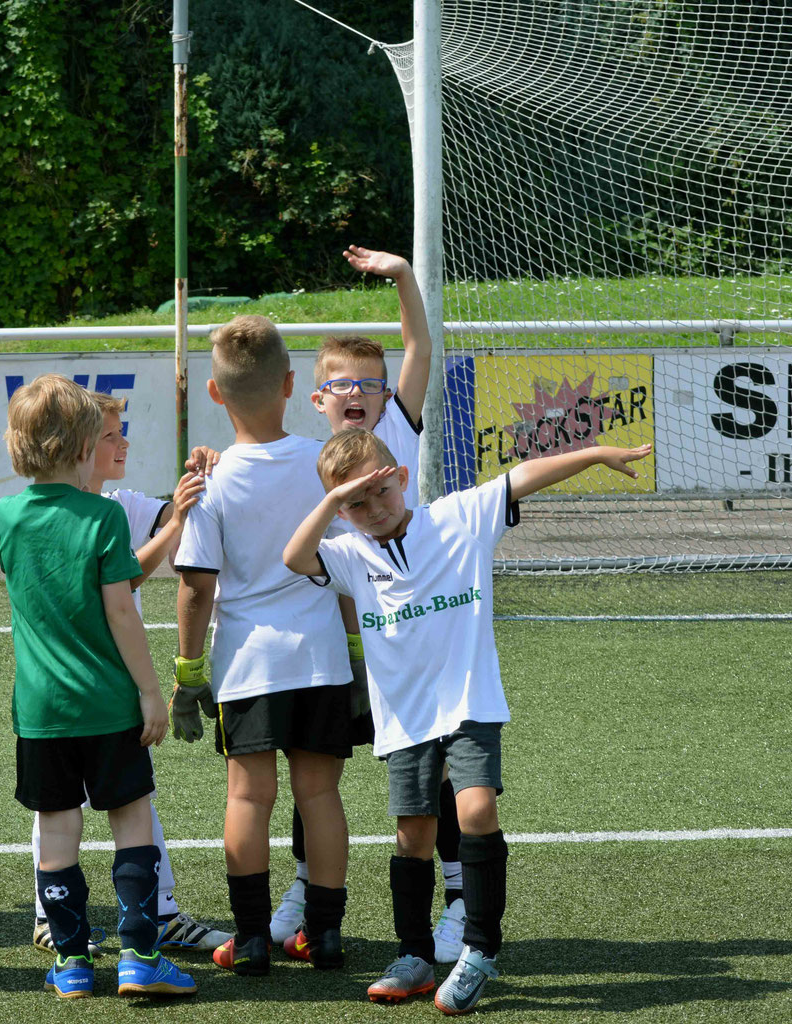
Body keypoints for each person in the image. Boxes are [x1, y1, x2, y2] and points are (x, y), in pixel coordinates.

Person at [284, 428, 650, 1011]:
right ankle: (414, 955)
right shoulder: (349, 554)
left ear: (402, 477)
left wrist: (596, 455)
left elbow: (524, 476)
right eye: (355, 503)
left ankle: (480, 950)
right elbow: (294, 556)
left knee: (475, 809)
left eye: (379, 491)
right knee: (413, 838)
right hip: (405, 719)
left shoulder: (459, 517)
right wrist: (332, 503)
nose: (371, 509)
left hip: (469, 700)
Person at [272, 245, 472, 958]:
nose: (354, 390)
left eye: (368, 382)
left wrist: (401, 277)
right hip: (328, 643)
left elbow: (419, 343)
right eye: (339, 382)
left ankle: (458, 894)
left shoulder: (396, 431)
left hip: (408, 638)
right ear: (316, 397)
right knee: (313, 768)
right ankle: (303, 891)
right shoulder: (301, 458)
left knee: (431, 771)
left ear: (386, 396)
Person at [0, 374, 197, 1000]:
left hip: (40, 711)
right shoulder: (105, 516)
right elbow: (119, 610)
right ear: (84, 447)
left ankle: (73, 962)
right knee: (131, 820)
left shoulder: (6, 516)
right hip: (108, 705)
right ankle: (139, 958)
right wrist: (150, 692)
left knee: (57, 833)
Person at [172, 315, 356, 976]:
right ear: (287, 384)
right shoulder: (322, 464)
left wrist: (188, 672)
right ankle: (324, 936)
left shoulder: (209, 483)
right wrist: (356, 654)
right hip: (320, 655)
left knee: (248, 798)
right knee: (320, 796)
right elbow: (344, 566)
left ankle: (250, 939)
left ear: (216, 395)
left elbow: (196, 588)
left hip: (246, 662)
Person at [25, 391, 229, 954]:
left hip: (80, 695)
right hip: (94, 691)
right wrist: (171, 529)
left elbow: (183, 527)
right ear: (77, 445)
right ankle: (55, 917)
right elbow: (115, 584)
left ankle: (154, 916)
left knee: (130, 802)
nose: (125, 443)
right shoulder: (65, 513)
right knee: (68, 809)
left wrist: (206, 478)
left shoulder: (122, 503)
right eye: (113, 435)